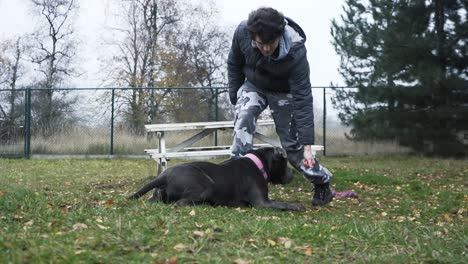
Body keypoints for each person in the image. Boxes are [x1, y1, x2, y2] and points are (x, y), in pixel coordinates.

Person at [227, 7, 333, 206]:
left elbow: (303, 99)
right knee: (244, 117)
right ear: (253, 36)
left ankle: (322, 182)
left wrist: (308, 145)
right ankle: (236, 179)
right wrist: (235, 95)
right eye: (261, 44)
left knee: (293, 145)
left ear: (280, 34)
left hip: (284, 92)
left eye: (271, 43)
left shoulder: (296, 52)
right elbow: (234, 62)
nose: (266, 49)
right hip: (254, 85)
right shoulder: (242, 32)